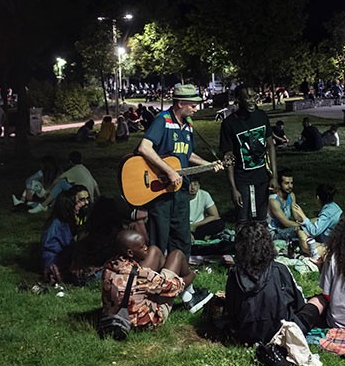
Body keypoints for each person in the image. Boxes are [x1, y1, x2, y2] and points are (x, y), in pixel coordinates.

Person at [137, 84, 223, 259]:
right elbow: (144, 148)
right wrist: (169, 171)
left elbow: (188, 152)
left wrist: (209, 164)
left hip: (181, 188)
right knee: (159, 236)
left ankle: (180, 275)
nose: (196, 109)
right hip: (160, 189)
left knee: (182, 236)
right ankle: (157, 274)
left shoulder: (189, 126)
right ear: (180, 103)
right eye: (192, 105)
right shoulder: (163, 120)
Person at [224, 222, 326, 344]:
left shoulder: (235, 274)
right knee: (319, 300)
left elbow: (231, 310)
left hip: (245, 333)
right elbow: (299, 303)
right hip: (283, 331)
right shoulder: (279, 269)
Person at [101, 230, 214, 330]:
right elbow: (176, 287)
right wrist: (192, 274)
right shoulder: (142, 276)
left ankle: (189, 295)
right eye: (142, 246)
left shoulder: (109, 266)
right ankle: (191, 297)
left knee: (154, 250)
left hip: (117, 313)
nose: (146, 247)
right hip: (143, 321)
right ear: (130, 252)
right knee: (177, 255)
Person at [219, 84, 278, 225]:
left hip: (262, 176)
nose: (252, 101)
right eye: (247, 98)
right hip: (242, 179)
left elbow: (270, 146)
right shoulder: (229, 124)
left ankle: (262, 246)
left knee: (261, 219)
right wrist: (233, 188)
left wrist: (274, 176)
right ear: (238, 100)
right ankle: (242, 246)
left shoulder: (262, 116)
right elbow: (228, 158)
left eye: (253, 96)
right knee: (243, 219)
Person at [41, 185, 90, 284]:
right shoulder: (59, 225)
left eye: (87, 199)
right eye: (81, 200)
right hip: (56, 264)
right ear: (70, 202)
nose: (86, 203)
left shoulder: (74, 218)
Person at [29, 151, 101, 213]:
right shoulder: (85, 170)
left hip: (81, 198)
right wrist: (98, 200)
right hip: (88, 200)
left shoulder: (74, 170)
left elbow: (58, 179)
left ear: (70, 162)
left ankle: (43, 205)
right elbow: (95, 186)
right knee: (66, 184)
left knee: (62, 183)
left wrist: (49, 190)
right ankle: (51, 203)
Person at [292, 183, 342, 256]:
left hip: (329, 244)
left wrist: (303, 216)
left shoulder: (327, 213)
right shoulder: (334, 206)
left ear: (318, 198)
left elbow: (314, 231)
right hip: (331, 237)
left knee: (300, 231)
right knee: (309, 223)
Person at [267, 168, 301, 241]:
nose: (290, 186)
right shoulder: (273, 200)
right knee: (300, 230)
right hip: (274, 232)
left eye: (291, 183)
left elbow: (296, 217)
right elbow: (285, 222)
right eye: (286, 183)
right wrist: (304, 226)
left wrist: (307, 222)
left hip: (285, 229)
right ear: (279, 184)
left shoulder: (291, 196)